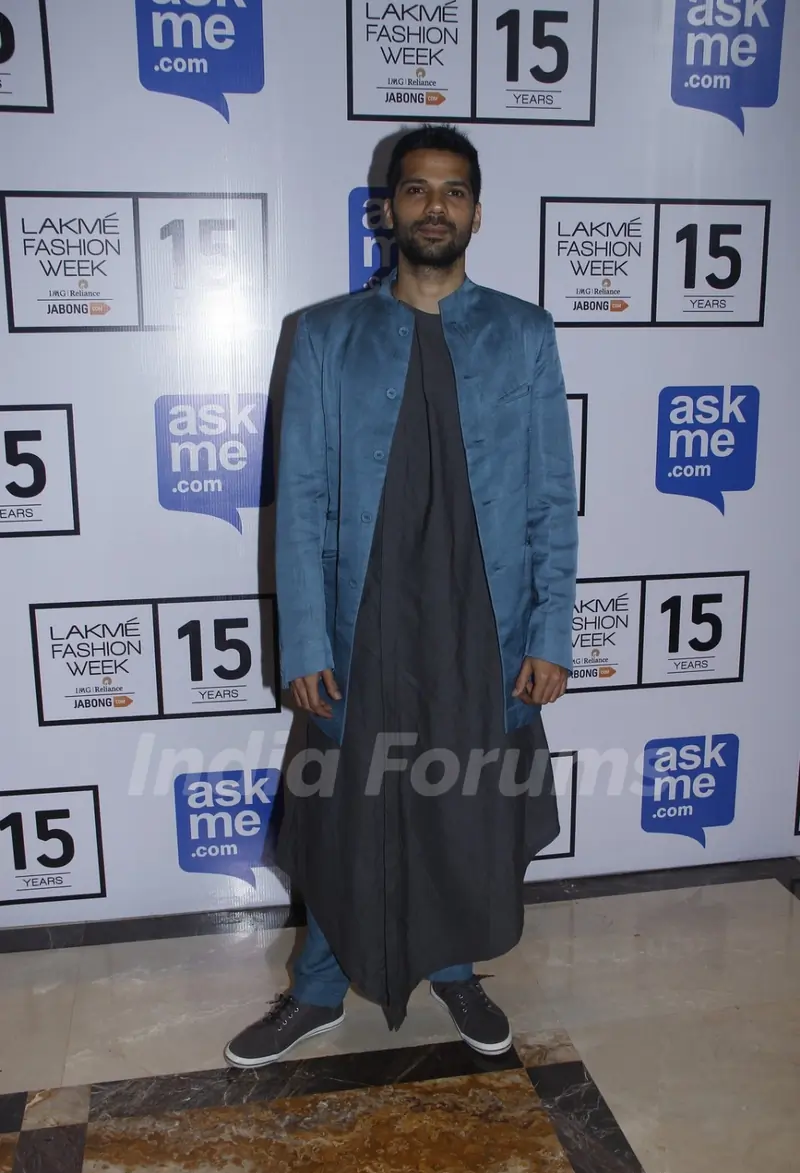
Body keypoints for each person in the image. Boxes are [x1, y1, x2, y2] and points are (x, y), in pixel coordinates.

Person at [225, 124, 578, 1069]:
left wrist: (552, 631)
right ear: (388, 209)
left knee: (461, 801)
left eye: (453, 191)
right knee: (349, 806)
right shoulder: (326, 335)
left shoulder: (525, 334)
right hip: (363, 619)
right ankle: (316, 990)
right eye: (417, 189)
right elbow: (299, 501)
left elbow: (552, 496)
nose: (435, 207)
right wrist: (305, 640)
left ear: (476, 212)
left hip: (480, 621)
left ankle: (453, 968)